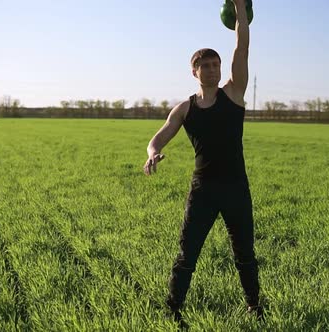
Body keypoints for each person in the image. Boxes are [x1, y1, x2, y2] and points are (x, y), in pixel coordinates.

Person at [142, 0, 263, 326]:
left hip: (236, 187)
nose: (212, 69)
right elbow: (159, 137)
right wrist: (153, 153)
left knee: (245, 255)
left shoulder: (234, 93)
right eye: (205, 66)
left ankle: (255, 307)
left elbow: (242, 46)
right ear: (194, 71)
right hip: (203, 191)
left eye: (215, 65)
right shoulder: (184, 108)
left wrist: (240, 8)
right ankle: (172, 309)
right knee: (187, 255)